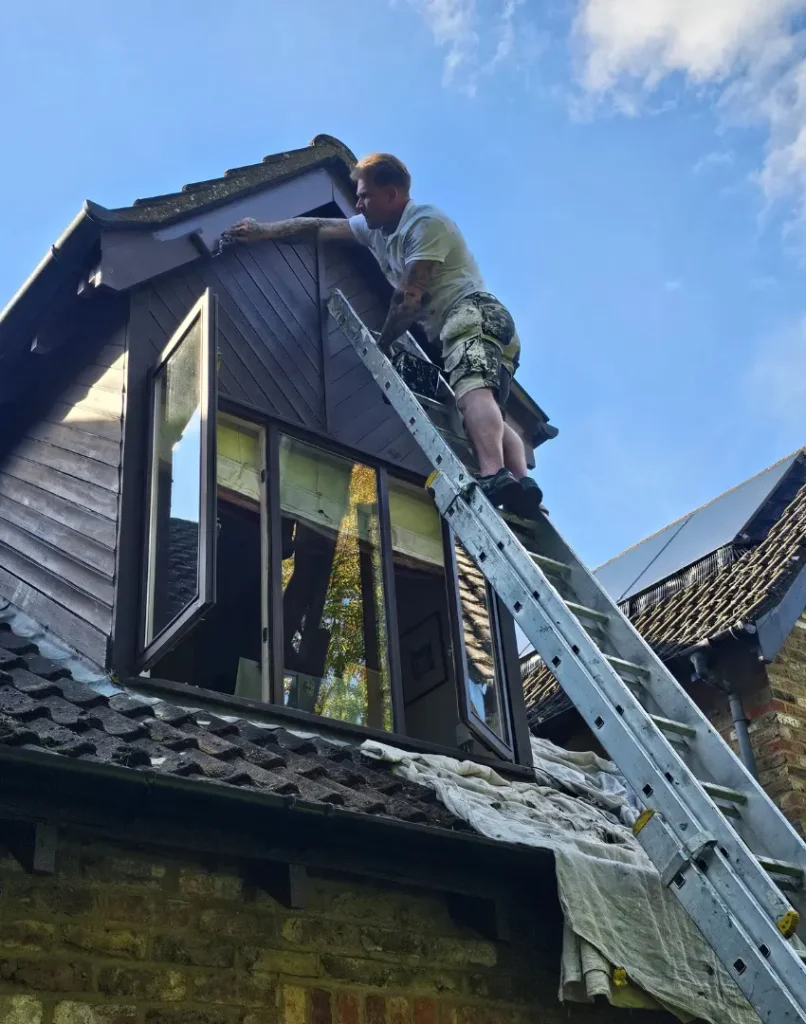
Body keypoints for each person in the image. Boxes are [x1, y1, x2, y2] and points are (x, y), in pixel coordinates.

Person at [222, 152, 543, 518]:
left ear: (392, 195)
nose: (358, 203)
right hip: (490, 325)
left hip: (471, 314)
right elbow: (319, 228)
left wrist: (384, 343)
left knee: (471, 394)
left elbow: (407, 298)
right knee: (485, 409)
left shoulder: (425, 224)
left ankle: (493, 475)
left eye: (365, 195)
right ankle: (523, 483)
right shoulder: (374, 229)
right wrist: (264, 230)